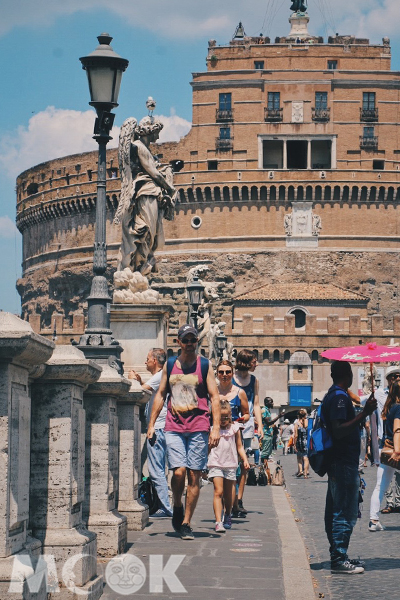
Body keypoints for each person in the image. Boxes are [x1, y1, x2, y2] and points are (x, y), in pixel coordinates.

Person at [147, 324, 221, 540]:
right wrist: (151, 424)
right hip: (174, 426)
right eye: (185, 340)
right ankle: (177, 503)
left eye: (193, 340)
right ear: (178, 342)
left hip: (198, 426)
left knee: (194, 475)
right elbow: (161, 394)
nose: (190, 344)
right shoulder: (170, 365)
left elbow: (214, 397)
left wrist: (215, 427)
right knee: (178, 472)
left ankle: (186, 522)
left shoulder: (204, 365)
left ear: (197, 341)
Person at [323, 361, 377, 574]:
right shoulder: (339, 397)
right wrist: (364, 413)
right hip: (343, 462)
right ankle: (338, 559)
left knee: (335, 511)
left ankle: (339, 554)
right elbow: (338, 430)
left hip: (338, 462)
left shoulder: (333, 394)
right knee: (344, 512)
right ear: (348, 374)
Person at [115, 116, 176, 276]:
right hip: (145, 193)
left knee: (152, 234)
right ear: (150, 131)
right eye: (157, 132)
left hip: (151, 192)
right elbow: (154, 173)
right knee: (146, 231)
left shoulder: (145, 149)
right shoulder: (139, 146)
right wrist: (170, 188)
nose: (158, 136)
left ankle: (142, 269)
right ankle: (138, 268)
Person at [129, 348, 172, 518]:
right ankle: (166, 505)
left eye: (147, 359)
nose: (145, 362)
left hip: (158, 429)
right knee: (160, 469)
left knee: (156, 470)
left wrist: (133, 381)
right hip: (162, 428)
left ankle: (165, 507)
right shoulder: (160, 376)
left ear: (155, 361)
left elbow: (140, 393)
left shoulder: (159, 376)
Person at [208, 400, 250, 532]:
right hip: (215, 463)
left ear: (231, 415)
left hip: (231, 464)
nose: (224, 419)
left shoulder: (235, 428)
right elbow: (207, 448)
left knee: (229, 495)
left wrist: (245, 460)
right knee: (218, 491)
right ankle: (218, 521)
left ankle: (228, 514)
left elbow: (239, 447)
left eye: (226, 416)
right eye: (221, 416)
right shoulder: (211, 430)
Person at [232, 350, 263, 516]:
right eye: (254, 361)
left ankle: (239, 499)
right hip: (230, 424)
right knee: (232, 463)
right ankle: (231, 499)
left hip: (248, 426)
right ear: (246, 362)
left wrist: (261, 426)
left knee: (243, 465)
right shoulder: (230, 378)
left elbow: (256, 404)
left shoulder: (254, 380)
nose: (256, 364)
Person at [369, 379, 400, 530]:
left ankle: (373, 521)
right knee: (381, 486)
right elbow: (397, 430)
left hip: (385, 450)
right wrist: (398, 451)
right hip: (395, 451)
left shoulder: (388, 407)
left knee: (380, 487)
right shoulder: (399, 408)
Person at [261, 397, 284, 478]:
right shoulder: (264, 410)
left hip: (268, 434)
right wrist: (278, 416)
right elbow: (268, 423)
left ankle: (265, 470)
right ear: (266, 403)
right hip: (266, 434)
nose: (272, 403)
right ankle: (263, 472)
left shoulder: (267, 410)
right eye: (271, 402)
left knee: (267, 453)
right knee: (264, 454)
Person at [293, 409, 309, 478]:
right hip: (305, 441)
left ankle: (300, 471)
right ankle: (305, 474)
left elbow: (296, 435)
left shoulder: (297, 424)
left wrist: (294, 444)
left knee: (299, 457)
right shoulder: (306, 422)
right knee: (306, 458)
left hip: (299, 442)